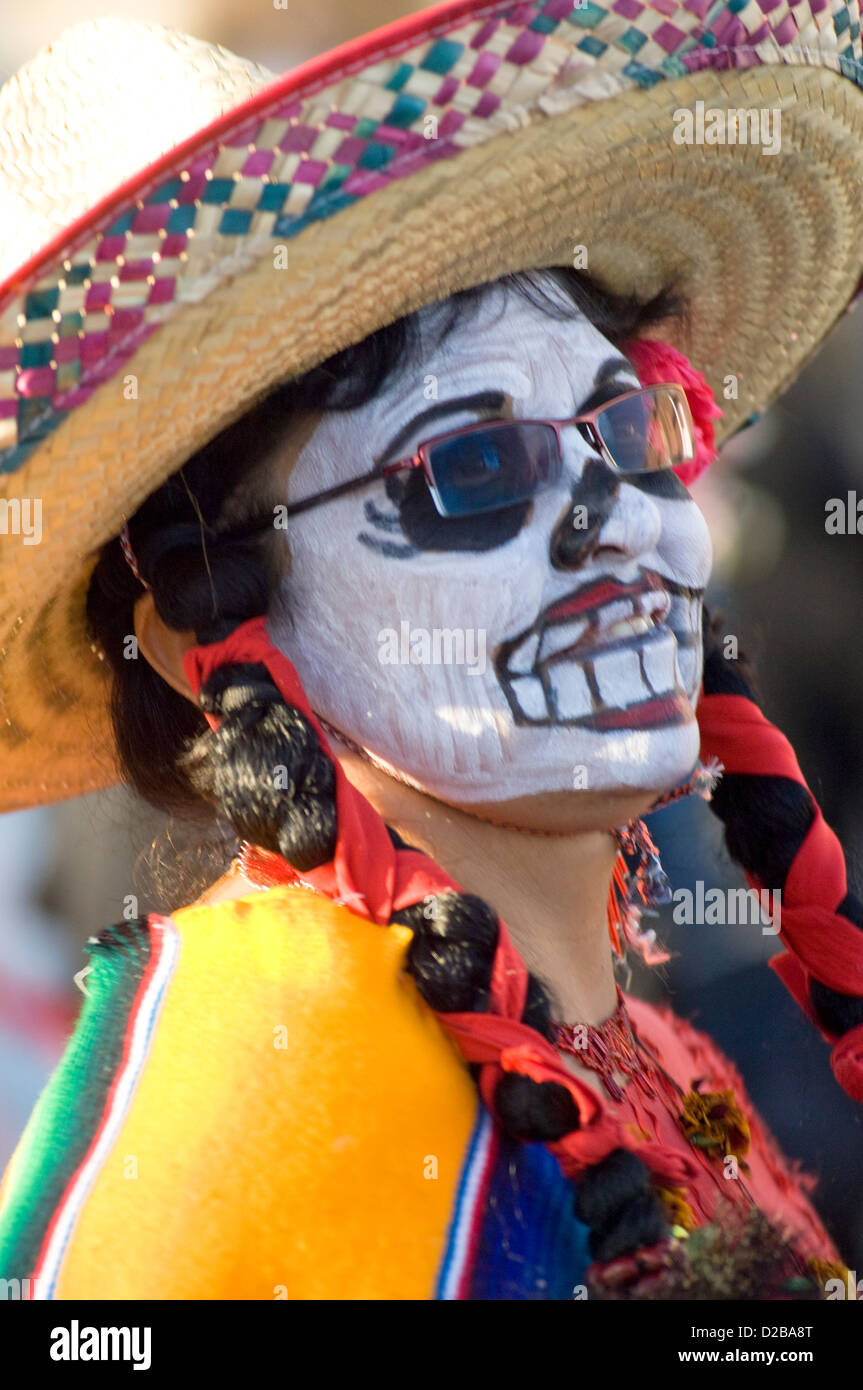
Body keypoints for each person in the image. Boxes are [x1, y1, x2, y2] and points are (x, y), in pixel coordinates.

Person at [0, 2, 862, 1301]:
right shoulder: (259, 1054)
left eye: (625, 431)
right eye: (474, 463)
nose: (619, 518)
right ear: (199, 630)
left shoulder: (664, 1063)